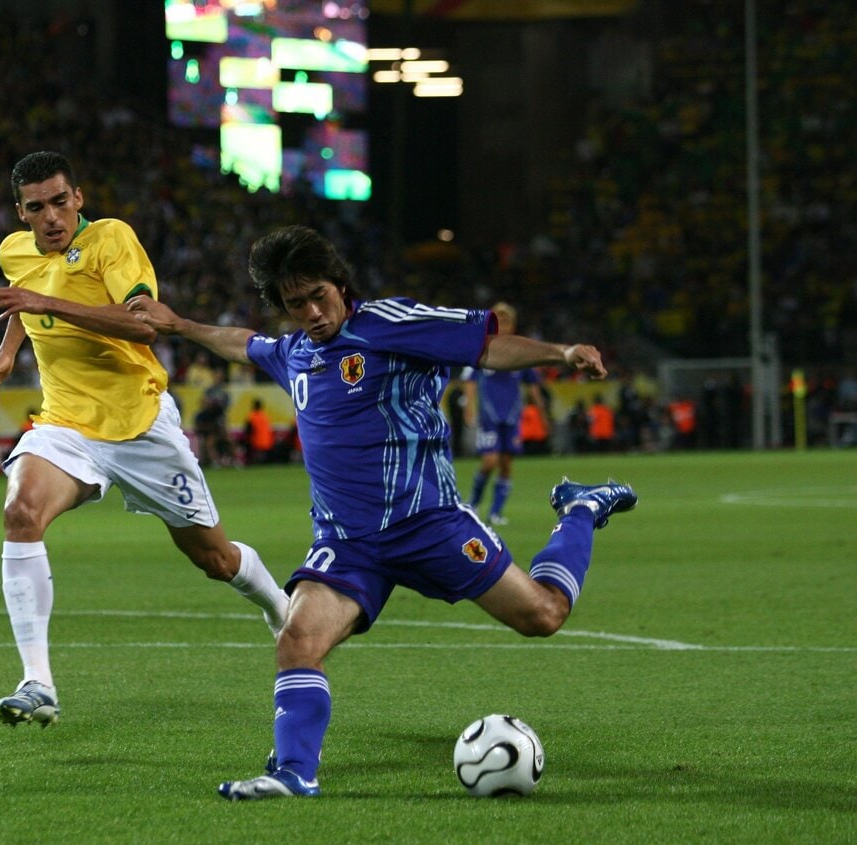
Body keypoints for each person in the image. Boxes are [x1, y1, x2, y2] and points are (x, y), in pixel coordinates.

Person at [129, 225, 637, 799]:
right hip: (349, 544)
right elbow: (240, 341)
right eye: (296, 304)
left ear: (340, 284)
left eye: (319, 295)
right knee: (297, 641)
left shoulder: (388, 324)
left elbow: (486, 346)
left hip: (429, 524)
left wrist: (559, 353)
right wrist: (179, 326)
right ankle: (294, 773)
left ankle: (579, 509)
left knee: (542, 616)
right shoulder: (296, 352)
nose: (313, 312)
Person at [0, 150, 289, 727]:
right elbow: (26, 294)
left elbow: (146, 321)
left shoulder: (112, 240)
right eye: (36, 207)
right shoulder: (13, 252)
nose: (51, 217)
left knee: (215, 559)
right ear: (20, 212)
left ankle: (280, 608)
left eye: (60, 202)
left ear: (79, 198)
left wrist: (46, 304)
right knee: (21, 512)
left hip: (139, 423)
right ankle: (37, 681)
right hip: (66, 424)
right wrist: (6, 350)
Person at [459, 303, 549, 526]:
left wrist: (542, 414)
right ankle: (473, 503)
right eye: (499, 319)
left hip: (511, 416)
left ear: (513, 324)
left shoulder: (520, 351)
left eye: (507, 320)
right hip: (489, 416)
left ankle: (496, 512)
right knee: (490, 461)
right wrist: (469, 407)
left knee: (507, 463)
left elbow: (533, 386)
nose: (503, 324)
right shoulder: (481, 347)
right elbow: (469, 380)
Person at [244, 397, 275, 465]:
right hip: (267, 441)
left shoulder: (252, 416)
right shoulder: (265, 416)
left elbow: (248, 430)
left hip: (256, 441)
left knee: (256, 458)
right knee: (263, 458)